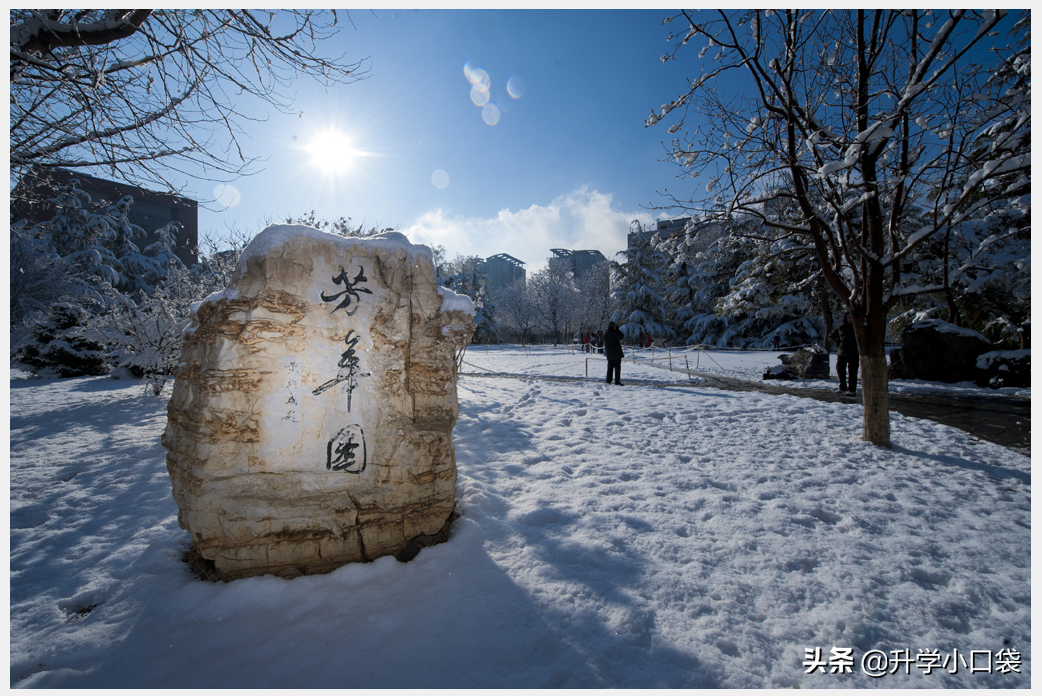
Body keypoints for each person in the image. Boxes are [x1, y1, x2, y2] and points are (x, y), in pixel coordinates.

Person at [829, 313, 859, 395]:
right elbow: (831, 336)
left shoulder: (857, 326)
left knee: (853, 371)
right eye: (849, 317)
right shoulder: (840, 327)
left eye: (852, 317)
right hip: (842, 352)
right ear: (846, 318)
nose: (851, 319)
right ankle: (843, 386)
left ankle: (852, 389)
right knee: (840, 370)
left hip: (854, 353)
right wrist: (838, 344)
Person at [603, 321, 625, 385]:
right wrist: (617, 330)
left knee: (610, 368)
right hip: (616, 354)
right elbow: (621, 336)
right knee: (617, 368)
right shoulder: (615, 333)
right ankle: (617, 381)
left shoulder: (606, 334)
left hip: (609, 353)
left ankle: (608, 380)